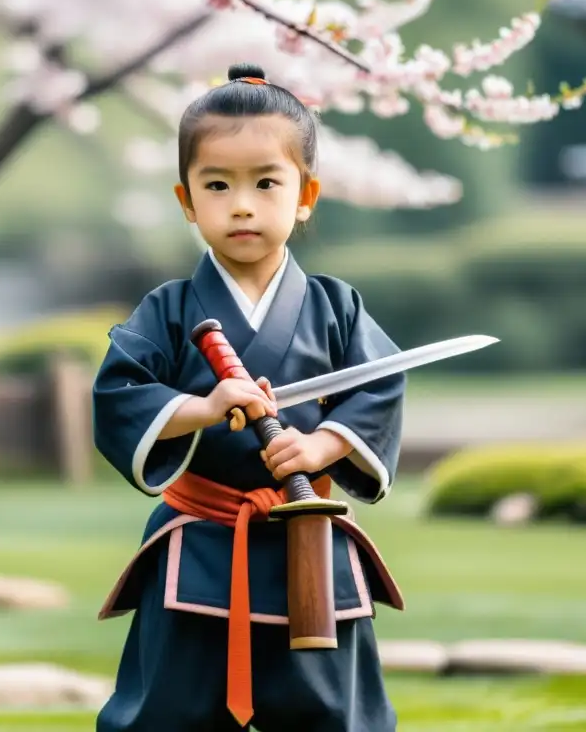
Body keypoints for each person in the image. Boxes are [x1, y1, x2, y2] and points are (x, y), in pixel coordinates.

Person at [91, 62, 406, 732]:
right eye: (217, 185)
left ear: (306, 194)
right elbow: (119, 390)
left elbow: (378, 384)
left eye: (266, 182)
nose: (242, 204)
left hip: (308, 535)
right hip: (199, 539)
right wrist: (201, 409)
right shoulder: (170, 311)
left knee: (329, 710)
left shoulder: (336, 308)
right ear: (187, 201)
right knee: (170, 708)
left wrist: (319, 445)